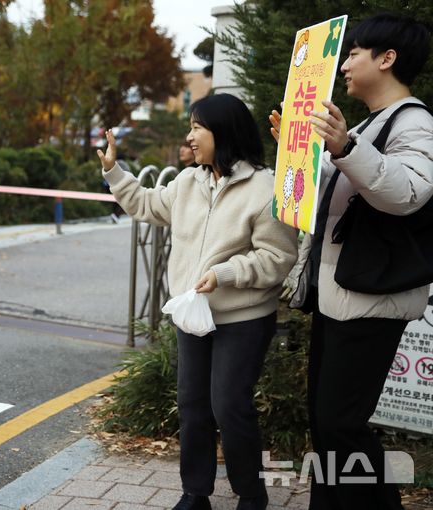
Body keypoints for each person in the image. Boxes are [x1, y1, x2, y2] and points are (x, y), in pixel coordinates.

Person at [98, 93, 298, 510]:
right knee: (192, 404)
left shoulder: (265, 187)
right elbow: (147, 205)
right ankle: (196, 493)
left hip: (243, 316)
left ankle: (251, 493)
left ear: (221, 133)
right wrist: (113, 170)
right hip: (193, 313)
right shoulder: (189, 181)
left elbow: (278, 257)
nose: (189, 137)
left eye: (196, 127)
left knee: (228, 404)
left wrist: (224, 273)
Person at [270, 14, 433, 510]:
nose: (344, 64)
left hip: (372, 296)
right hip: (339, 293)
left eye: (355, 52)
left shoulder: (417, 122)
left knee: (341, 422)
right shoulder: (364, 125)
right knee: (327, 422)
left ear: (387, 59)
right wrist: (295, 153)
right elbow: (334, 192)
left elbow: (406, 194)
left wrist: (344, 146)